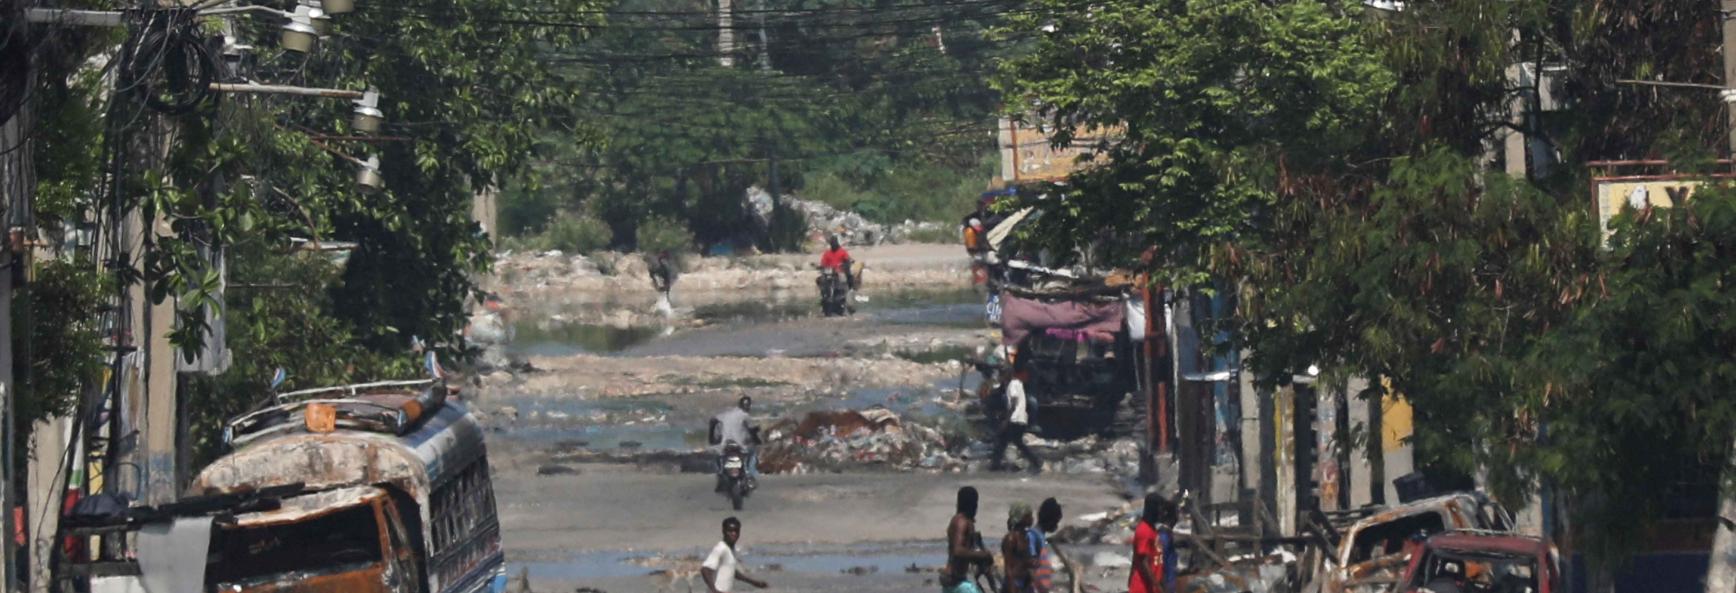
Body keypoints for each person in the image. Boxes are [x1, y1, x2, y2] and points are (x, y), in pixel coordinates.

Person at [989, 359, 1041, 472]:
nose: (1000, 376)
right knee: (1008, 441)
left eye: (1002, 374)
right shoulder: (1016, 384)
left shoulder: (1012, 385)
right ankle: (995, 465)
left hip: (1015, 419)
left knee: (1005, 440)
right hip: (1019, 419)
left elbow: (1013, 405)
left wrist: (1005, 421)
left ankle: (1036, 461)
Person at [943, 486, 996, 593]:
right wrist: (983, 555)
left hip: (958, 580)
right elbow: (958, 551)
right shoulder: (961, 522)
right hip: (955, 582)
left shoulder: (967, 522)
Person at [702, 517, 768, 593]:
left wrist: (754, 582)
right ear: (723, 531)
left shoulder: (731, 549)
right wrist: (714, 590)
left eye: (736, 531)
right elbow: (705, 569)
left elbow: (732, 571)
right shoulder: (721, 548)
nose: (734, 533)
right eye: (730, 531)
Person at [1129, 494, 1177, 593]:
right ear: (1153, 509)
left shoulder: (1152, 530)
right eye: (1161, 509)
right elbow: (1144, 563)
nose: (1162, 513)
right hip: (1143, 588)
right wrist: (1158, 586)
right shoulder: (1144, 530)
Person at [710, 396, 761, 483]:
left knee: (719, 456)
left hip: (725, 444)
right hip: (740, 444)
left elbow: (713, 420)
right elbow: (752, 430)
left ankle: (720, 471)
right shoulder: (745, 416)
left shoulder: (727, 414)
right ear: (748, 406)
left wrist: (712, 436)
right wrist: (757, 440)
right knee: (753, 453)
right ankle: (750, 473)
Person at [1029, 498, 1073, 593]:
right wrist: (1042, 588)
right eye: (1056, 521)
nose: (1056, 525)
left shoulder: (1039, 538)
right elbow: (1029, 568)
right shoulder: (1033, 537)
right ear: (1050, 520)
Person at [1002, 503, 1036, 593]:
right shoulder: (1011, 539)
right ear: (1021, 518)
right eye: (1029, 516)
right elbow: (1008, 568)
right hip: (1013, 583)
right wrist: (1012, 589)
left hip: (1024, 582)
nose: (1032, 519)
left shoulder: (1026, 537)